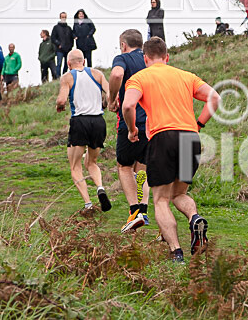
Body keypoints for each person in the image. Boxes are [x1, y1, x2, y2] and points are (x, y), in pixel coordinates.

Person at [122, 37, 221, 262]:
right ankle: (194, 218)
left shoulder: (139, 77)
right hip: (190, 137)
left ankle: (176, 251)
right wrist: (199, 124)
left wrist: (131, 129)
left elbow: (128, 105)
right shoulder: (187, 76)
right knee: (179, 193)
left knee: (161, 199)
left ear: (146, 58)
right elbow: (215, 98)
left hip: (162, 138)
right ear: (167, 57)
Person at [55, 49, 111, 213]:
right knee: (92, 162)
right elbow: (111, 92)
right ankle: (100, 187)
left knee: (75, 166)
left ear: (68, 63)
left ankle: (88, 204)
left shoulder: (67, 77)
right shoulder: (97, 74)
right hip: (98, 122)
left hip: (80, 122)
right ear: (84, 61)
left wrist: (60, 106)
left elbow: (61, 99)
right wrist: (105, 104)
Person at [108, 29, 151, 233]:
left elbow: (117, 74)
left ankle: (134, 212)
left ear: (123, 44)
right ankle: (143, 209)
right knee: (141, 168)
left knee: (124, 166)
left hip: (131, 119)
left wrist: (112, 97)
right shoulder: (149, 60)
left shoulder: (122, 58)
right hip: (152, 122)